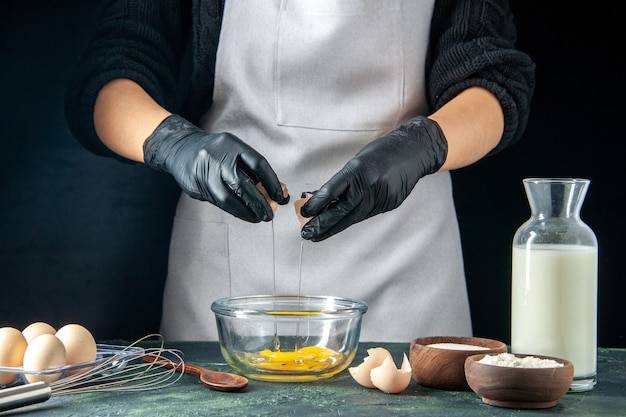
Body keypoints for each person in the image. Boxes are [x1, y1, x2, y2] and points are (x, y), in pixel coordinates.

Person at [65, 0, 535, 342]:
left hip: (403, 258)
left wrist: (423, 146)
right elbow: (115, 64)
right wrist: (176, 144)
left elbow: (493, 77)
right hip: (231, 265)